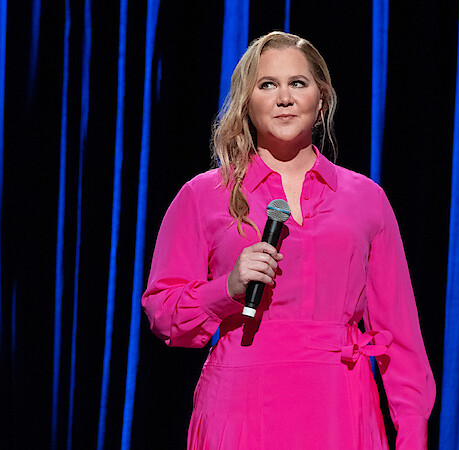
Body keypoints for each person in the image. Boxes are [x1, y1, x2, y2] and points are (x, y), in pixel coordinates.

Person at [142, 31, 436, 449]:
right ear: (247, 102)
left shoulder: (366, 199)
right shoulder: (204, 194)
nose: (284, 98)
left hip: (340, 409)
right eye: (267, 85)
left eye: (298, 83)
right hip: (240, 409)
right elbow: (163, 313)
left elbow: (401, 339)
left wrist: (411, 437)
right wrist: (225, 289)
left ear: (322, 99)